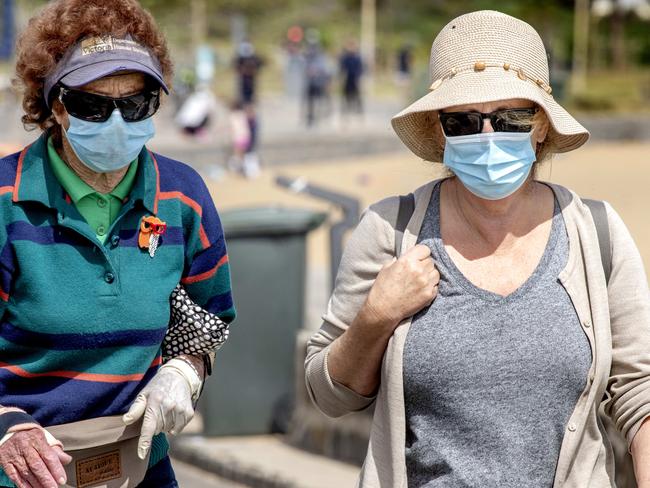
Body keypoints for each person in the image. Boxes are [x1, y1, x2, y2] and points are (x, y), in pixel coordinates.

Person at [305, 10, 650, 488]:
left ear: (543, 126)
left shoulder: (597, 233)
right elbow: (329, 396)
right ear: (441, 131)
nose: (488, 137)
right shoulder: (390, 229)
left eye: (511, 118)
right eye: (464, 121)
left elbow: (640, 391)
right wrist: (376, 317)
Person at [0, 1, 235, 487]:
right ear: (56, 105)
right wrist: (9, 428)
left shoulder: (182, 196)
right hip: (22, 470)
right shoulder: (6, 201)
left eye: (134, 104)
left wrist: (185, 370)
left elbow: (211, 317)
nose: (115, 122)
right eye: (91, 103)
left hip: (140, 467)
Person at [338, 39, 364, 116]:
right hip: (347, 78)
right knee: (346, 94)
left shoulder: (357, 57)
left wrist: (359, 76)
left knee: (357, 94)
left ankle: (359, 109)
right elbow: (342, 68)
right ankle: (346, 108)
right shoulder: (345, 57)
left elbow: (360, 68)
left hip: (355, 78)